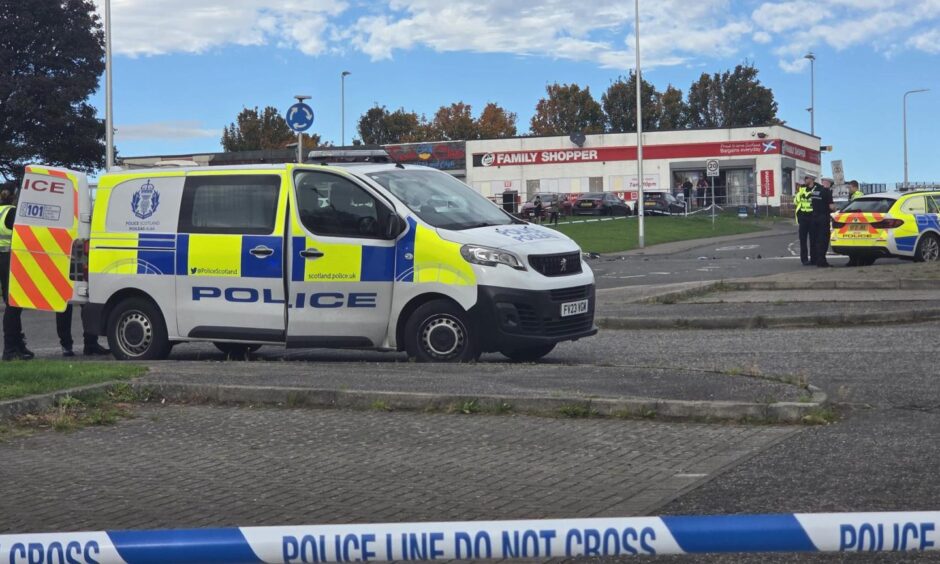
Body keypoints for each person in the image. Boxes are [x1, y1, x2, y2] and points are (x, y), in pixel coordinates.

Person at [1, 192, 34, 361]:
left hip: (2, 258)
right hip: (10, 259)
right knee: (14, 304)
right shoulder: (12, 212)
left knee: (13, 303)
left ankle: (17, 345)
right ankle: (10, 349)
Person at [810, 176, 835, 267]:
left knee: (816, 240)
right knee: (823, 240)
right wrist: (835, 209)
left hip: (814, 218)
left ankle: (816, 259)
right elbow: (831, 207)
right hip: (823, 219)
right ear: (828, 183)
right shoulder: (827, 192)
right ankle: (822, 261)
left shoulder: (815, 191)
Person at [794, 174, 815, 266]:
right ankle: (804, 259)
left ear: (812, 179)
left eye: (807, 179)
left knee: (813, 239)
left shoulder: (816, 189)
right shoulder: (801, 189)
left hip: (812, 216)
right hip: (803, 217)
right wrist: (800, 193)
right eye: (805, 179)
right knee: (802, 240)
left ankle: (814, 259)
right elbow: (796, 201)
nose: (805, 180)